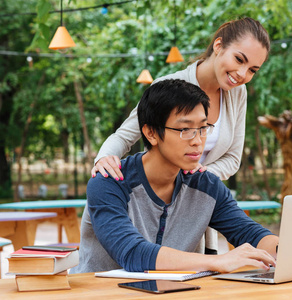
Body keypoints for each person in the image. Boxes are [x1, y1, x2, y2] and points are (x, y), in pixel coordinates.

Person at [71, 79, 278, 274]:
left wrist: (288, 252)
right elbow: (133, 254)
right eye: (185, 129)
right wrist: (217, 262)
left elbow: (251, 233)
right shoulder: (109, 182)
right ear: (151, 133)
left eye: (203, 128)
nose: (198, 141)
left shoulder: (204, 183)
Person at [91, 17, 270, 182]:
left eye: (252, 70)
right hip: (158, 192)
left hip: (201, 196)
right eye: (239, 59)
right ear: (218, 46)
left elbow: (232, 159)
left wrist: (198, 176)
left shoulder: (238, 92)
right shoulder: (168, 86)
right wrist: (104, 158)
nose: (242, 74)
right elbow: (124, 136)